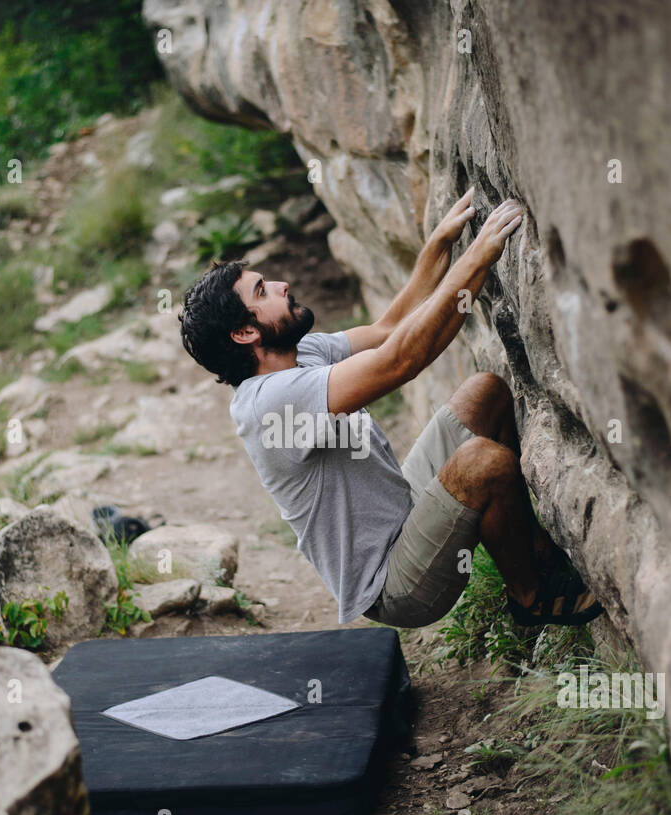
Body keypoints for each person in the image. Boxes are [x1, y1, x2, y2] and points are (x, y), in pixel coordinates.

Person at [177, 188, 601, 629]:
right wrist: (479, 257)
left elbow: (389, 329)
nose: (283, 285)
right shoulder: (270, 404)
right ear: (246, 332)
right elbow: (401, 360)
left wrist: (439, 246)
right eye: (263, 291)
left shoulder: (299, 353)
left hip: (405, 507)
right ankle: (530, 597)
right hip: (393, 584)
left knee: (485, 392)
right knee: (483, 464)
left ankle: (533, 552)